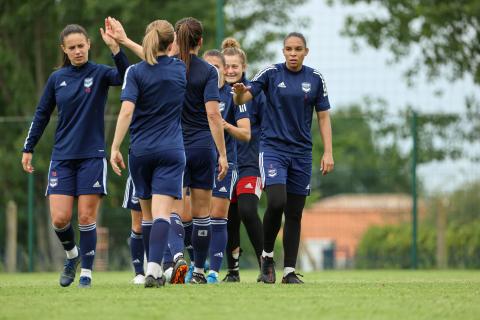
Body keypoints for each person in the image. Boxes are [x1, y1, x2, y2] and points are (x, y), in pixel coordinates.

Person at [106, 17, 228, 284]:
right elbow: (212, 115)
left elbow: (144, 73)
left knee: (155, 214)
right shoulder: (191, 70)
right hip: (183, 149)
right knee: (189, 213)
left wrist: (114, 146)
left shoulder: (143, 71)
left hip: (148, 148)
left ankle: (163, 264)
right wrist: (223, 153)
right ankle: (181, 271)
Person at [21, 23, 128, 288]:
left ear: (89, 44)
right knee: (59, 218)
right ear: (64, 50)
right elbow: (42, 114)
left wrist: (116, 50)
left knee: (86, 218)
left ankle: (87, 275)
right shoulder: (57, 79)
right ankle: (72, 256)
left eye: (81, 46)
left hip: (92, 157)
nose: (78, 51)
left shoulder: (101, 73)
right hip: (62, 157)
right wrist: (28, 147)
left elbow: (127, 78)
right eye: (72, 48)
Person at [233, 32, 334, 284]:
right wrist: (237, 93)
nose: (292, 53)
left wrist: (328, 151)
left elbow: (323, 116)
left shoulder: (315, 78)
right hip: (273, 150)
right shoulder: (270, 73)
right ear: (283, 51)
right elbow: (244, 97)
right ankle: (267, 257)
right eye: (288, 48)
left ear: (305, 52)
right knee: (277, 201)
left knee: (295, 213)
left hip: (301, 153)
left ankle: (289, 271)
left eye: (297, 49)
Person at [110, 19, 187, 288]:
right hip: (172, 150)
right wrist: (126, 40)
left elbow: (127, 111)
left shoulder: (134, 72)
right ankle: (154, 270)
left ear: (149, 39)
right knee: (163, 213)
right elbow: (158, 62)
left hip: (141, 151)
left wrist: (115, 146)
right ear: (171, 42)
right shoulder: (180, 69)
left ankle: (150, 271)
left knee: (147, 216)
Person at [202, 49, 251, 283]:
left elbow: (246, 134)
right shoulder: (194, 94)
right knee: (194, 216)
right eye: (208, 67)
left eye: (217, 67)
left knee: (218, 217)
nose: (213, 71)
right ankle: (195, 266)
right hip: (198, 161)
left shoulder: (233, 96)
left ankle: (213, 271)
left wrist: (224, 125)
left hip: (226, 162)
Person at [221, 38, 266, 282]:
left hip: (250, 161)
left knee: (248, 211)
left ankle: (265, 263)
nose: (230, 71)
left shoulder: (252, 93)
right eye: (226, 66)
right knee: (229, 217)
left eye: (234, 67)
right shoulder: (215, 92)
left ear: (244, 67)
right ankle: (233, 270)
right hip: (226, 164)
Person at [122, 175, 146, 284]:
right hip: (139, 170)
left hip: (162, 171)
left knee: (162, 219)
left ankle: (165, 267)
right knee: (138, 226)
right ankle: (139, 273)